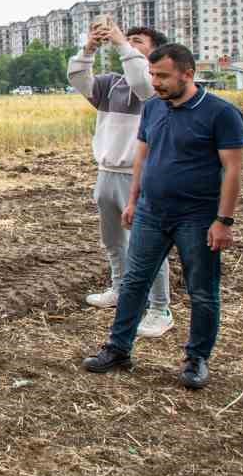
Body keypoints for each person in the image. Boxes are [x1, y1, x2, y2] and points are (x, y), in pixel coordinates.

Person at [83, 44, 243, 389]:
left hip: (198, 217)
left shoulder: (221, 113)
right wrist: (133, 200)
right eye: (153, 75)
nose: (155, 82)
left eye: (163, 76)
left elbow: (233, 170)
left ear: (189, 73)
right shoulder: (153, 108)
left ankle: (196, 358)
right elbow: (142, 155)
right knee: (134, 282)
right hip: (151, 213)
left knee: (202, 290)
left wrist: (224, 221)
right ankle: (118, 348)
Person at [68, 20, 175, 338]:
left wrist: (120, 43)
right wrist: (88, 48)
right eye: (127, 39)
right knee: (113, 239)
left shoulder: (157, 86)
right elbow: (78, 79)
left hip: (140, 175)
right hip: (107, 172)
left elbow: (143, 83)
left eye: (138, 41)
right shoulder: (112, 84)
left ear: (156, 53)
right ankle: (119, 287)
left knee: (149, 245)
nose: (127, 43)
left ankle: (159, 308)